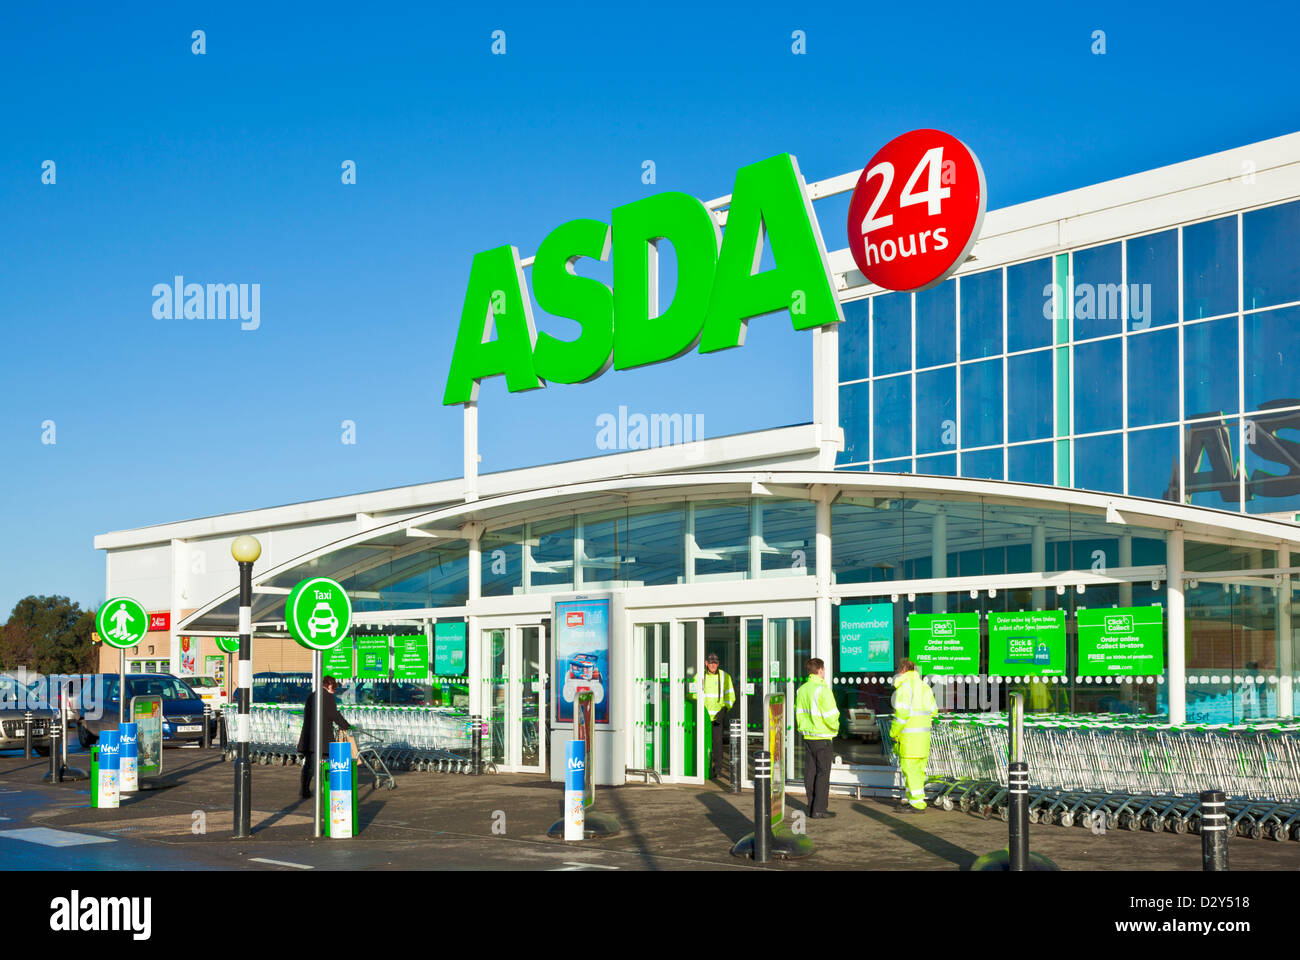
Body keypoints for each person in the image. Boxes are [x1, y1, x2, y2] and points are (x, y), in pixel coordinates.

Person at [297, 675, 355, 800]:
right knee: (328, 762)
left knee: (310, 764)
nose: (334, 691)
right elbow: (334, 715)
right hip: (322, 738)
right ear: (329, 686)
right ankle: (326, 787)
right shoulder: (327, 697)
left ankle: (305, 788)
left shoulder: (312, 696)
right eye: (334, 688)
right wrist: (346, 726)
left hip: (309, 737)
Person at [794, 657, 839, 819]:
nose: (824, 672)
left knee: (810, 772)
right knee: (823, 773)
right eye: (824, 669)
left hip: (808, 736)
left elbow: (798, 712)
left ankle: (811, 805)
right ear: (820, 670)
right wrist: (835, 728)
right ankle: (819, 809)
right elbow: (831, 715)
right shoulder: (823, 690)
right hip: (823, 736)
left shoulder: (802, 689)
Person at [890, 658, 937, 813]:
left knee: (910, 771)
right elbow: (934, 711)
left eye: (898, 670)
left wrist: (893, 732)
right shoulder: (925, 687)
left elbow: (902, 715)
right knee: (918, 772)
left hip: (909, 739)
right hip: (924, 739)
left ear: (903, 670)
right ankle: (915, 801)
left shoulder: (905, 688)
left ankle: (916, 805)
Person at [688, 652, 736, 781]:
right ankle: (702, 768)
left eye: (715, 663)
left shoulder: (725, 677)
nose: (713, 665)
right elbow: (691, 694)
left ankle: (718, 769)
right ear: (706, 663)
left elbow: (731, 697)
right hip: (703, 716)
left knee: (717, 743)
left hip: (717, 717)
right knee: (702, 743)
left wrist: (724, 710)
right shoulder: (699, 676)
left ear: (718, 664)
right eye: (711, 663)